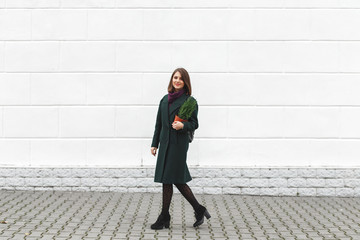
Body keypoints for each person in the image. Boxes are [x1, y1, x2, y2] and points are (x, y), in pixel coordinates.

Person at [150, 67, 211, 230]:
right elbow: (159, 124)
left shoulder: (189, 102)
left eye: (181, 79)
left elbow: (194, 124)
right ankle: (197, 210)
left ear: (185, 82)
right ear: (172, 80)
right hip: (165, 143)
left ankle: (165, 216)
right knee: (169, 179)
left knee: (172, 178)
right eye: (175, 77)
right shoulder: (164, 99)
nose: (177, 80)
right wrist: (154, 143)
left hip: (178, 145)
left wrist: (183, 125)